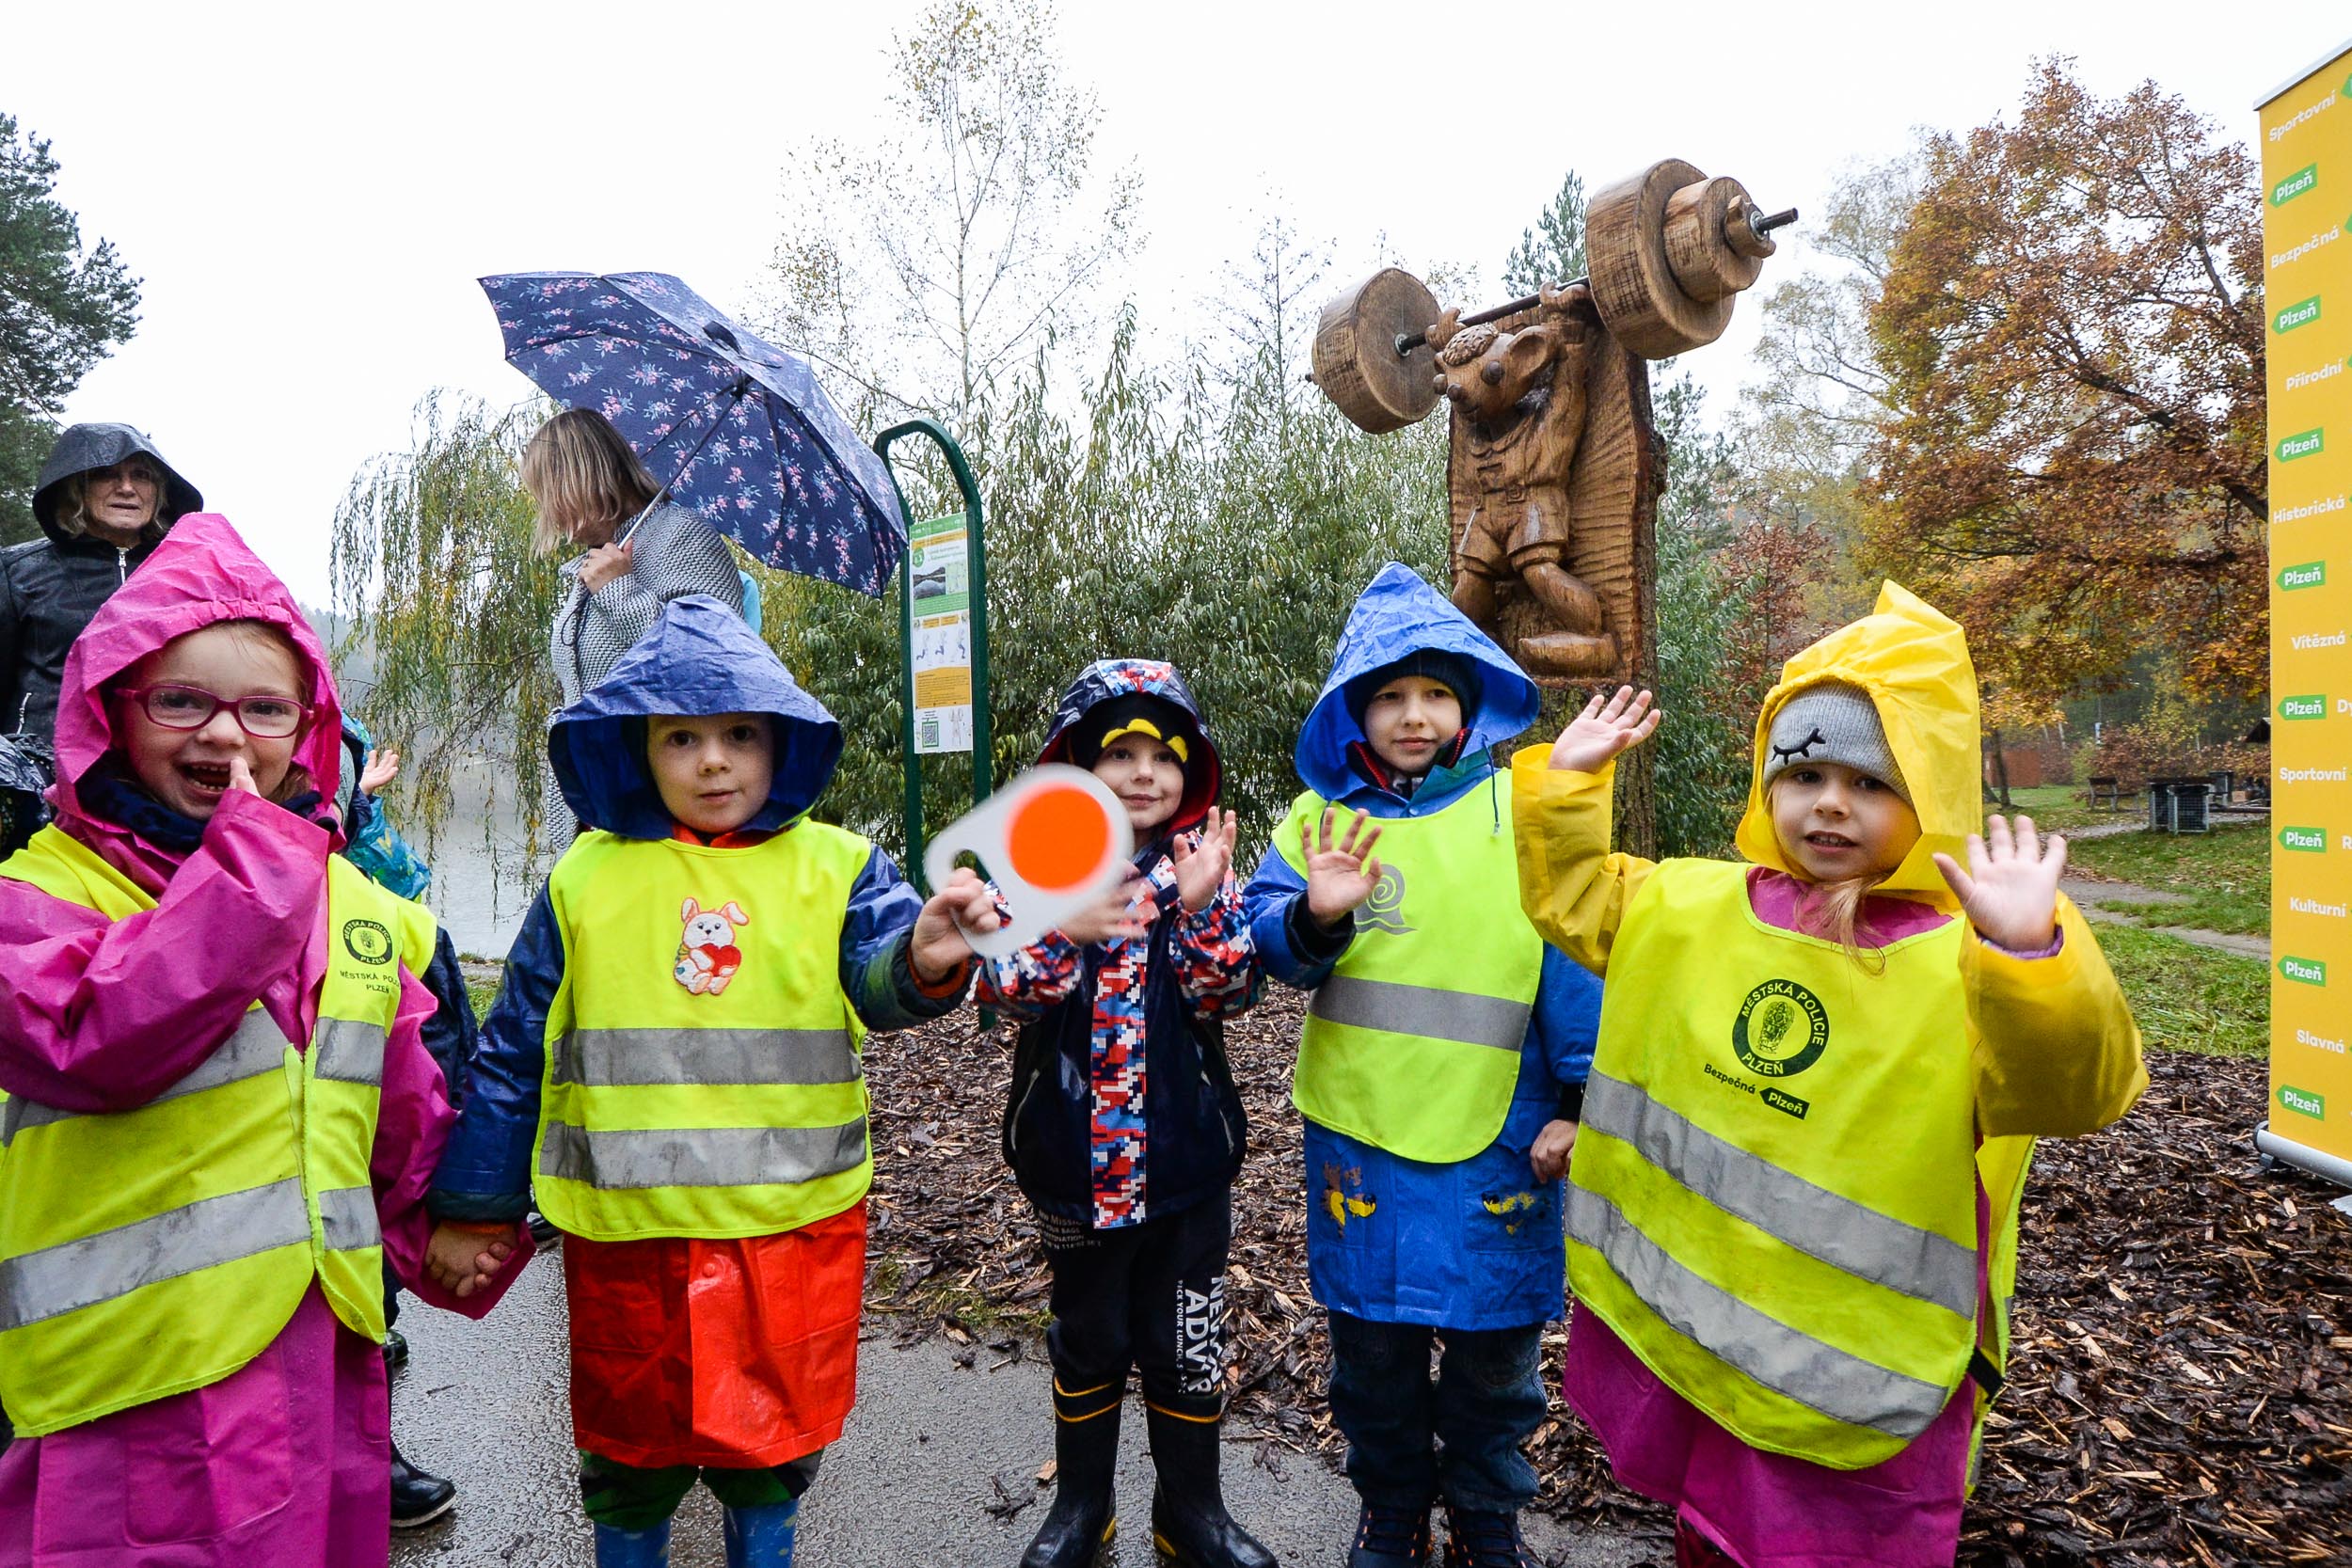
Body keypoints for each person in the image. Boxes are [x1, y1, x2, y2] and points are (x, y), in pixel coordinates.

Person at [1514, 584, 2146, 1568]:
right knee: (1711, 1528)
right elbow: (1581, 901)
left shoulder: (1966, 959)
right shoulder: (1693, 904)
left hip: (1856, 1374)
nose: (1830, 802)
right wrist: (1564, 785)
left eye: (1872, 779)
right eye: (1803, 771)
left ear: (1928, 791)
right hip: (1705, 1326)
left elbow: (2074, 1091)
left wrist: (2033, 960)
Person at [423, 594, 995, 1568]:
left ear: (784, 742)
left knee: (770, 1454)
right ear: (635, 748)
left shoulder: (840, 866)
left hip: (789, 1234)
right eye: (680, 735)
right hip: (627, 1245)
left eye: (739, 733)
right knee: (627, 1452)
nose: (714, 759)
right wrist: (475, 1204)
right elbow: (515, 1049)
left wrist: (928, 957)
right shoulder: (584, 879)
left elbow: (881, 981)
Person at [0, 514, 526, 1567]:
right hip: (129, 1379)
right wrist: (254, 866)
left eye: (265, 707)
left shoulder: (350, 900)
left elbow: (394, 1097)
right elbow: (98, 1037)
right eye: (180, 700)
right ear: (111, 708)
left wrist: (448, 1231)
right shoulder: (40, 896)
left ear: (309, 731)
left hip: (315, 1349)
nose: (224, 735)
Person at [1241, 563, 1601, 1568]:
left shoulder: (1525, 815)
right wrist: (1314, 911)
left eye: (1435, 691)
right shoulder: (1317, 823)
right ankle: (1391, 1503)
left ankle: (1486, 1510)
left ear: (1468, 702)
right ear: (1353, 706)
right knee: (1373, 1352)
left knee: (1496, 1359)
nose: (1413, 714)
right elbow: (1262, 946)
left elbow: (1573, 961)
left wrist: (1576, 1099)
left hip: (1502, 1132)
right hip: (1363, 1134)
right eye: (1390, 693)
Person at [973, 660, 1272, 1568]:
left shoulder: (1200, 869)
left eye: (1165, 756)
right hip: (1075, 1165)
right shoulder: (1037, 869)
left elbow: (1230, 988)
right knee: (1090, 1337)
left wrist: (1198, 909)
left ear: (1191, 773)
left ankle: (1192, 1512)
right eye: (1122, 754)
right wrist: (1066, 924)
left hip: (1184, 1166)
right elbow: (1005, 992)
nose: (1144, 773)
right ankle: (1081, 1508)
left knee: (1187, 1336)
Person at [333, 712, 484, 1528]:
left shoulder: (365, 881)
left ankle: (364, 1449)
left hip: (357, 1139)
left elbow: (409, 904)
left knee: (362, 1270)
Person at [522, 408, 745, 854]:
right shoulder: (596, 561)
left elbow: (707, 663)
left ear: (582, 478)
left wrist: (619, 589)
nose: (544, 508)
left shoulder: (682, 535)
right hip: (594, 811)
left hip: (661, 814)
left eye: (547, 491)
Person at [0, 423, 203, 853]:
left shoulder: (191, 573)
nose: (127, 488)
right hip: (39, 770)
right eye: (108, 474)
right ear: (76, 486)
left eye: (142, 476)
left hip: (157, 774)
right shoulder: (16, 571)